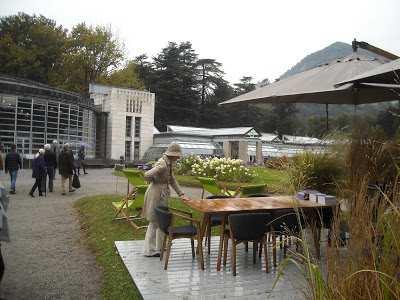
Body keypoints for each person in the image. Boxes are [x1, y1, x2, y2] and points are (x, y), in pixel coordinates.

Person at [142, 143, 188, 257]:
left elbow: (172, 179)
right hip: (156, 194)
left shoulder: (169, 163)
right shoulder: (162, 163)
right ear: (172, 155)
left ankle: (160, 246)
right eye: (177, 155)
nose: (178, 157)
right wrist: (154, 176)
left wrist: (181, 193)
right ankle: (149, 250)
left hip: (162, 194)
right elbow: (146, 175)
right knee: (154, 221)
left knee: (162, 221)